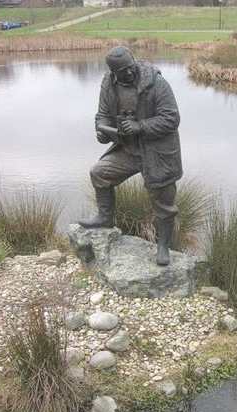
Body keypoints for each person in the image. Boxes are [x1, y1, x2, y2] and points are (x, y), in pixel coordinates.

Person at [79, 46, 183, 266]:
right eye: (122, 71)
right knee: (100, 173)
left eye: (130, 68)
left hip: (158, 153)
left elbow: (172, 119)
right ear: (114, 73)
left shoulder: (156, 83)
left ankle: (163, 246)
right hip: (128, 150)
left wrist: (140, 126)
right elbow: (103, 115)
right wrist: (103, 131)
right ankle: (105, 218)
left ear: (134, 61)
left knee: (163, 203)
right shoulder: (109, 83)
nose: (128, 73)